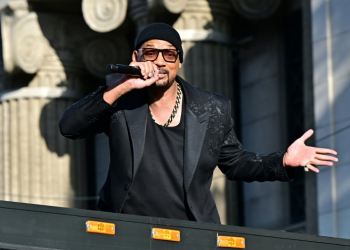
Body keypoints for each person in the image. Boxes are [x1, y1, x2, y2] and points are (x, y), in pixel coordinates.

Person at [59, 23, 338, 224]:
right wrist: (121, 87)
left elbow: (236, 163)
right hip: (126, 231)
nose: (159, 61)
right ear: (136, 58)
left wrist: (283, 162)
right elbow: (70, 127)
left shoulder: (212, 108)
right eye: (150, 53)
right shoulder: (120, 99)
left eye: (169, 54)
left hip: (190, 233)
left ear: (179, 61)